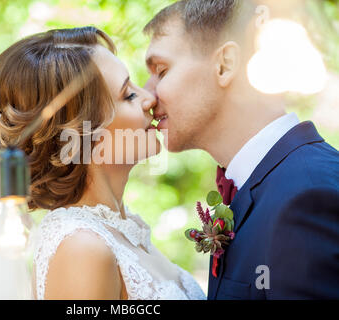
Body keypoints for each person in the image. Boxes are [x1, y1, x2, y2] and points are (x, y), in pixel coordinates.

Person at [0, 26, 206, 300]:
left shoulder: (123, 227)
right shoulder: (81, 248)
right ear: (83, 132)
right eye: (128, 95)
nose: (149, 98)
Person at [143, 0, 339, 299]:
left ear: (225, 65)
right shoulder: (260, 187)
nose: (147, 95)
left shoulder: (307, 196)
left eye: (162, 70)